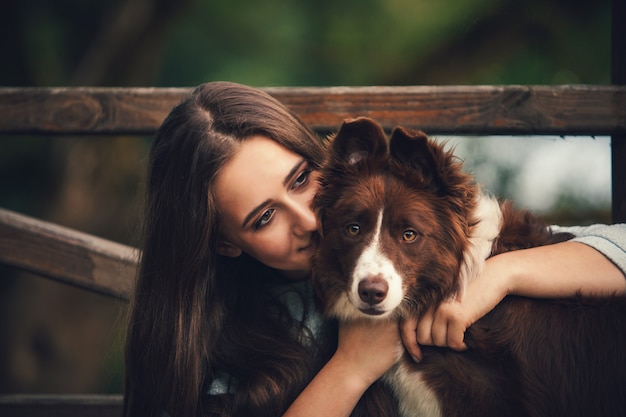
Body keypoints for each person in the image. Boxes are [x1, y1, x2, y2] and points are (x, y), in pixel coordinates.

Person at [123, 81, 626, 417]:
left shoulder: (403, 219)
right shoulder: (213, 344)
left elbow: (615, 251)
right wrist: (352, 367)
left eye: (300, 179)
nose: (309, 219)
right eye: (265, 217)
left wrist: (502, 276)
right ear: (224, 244)